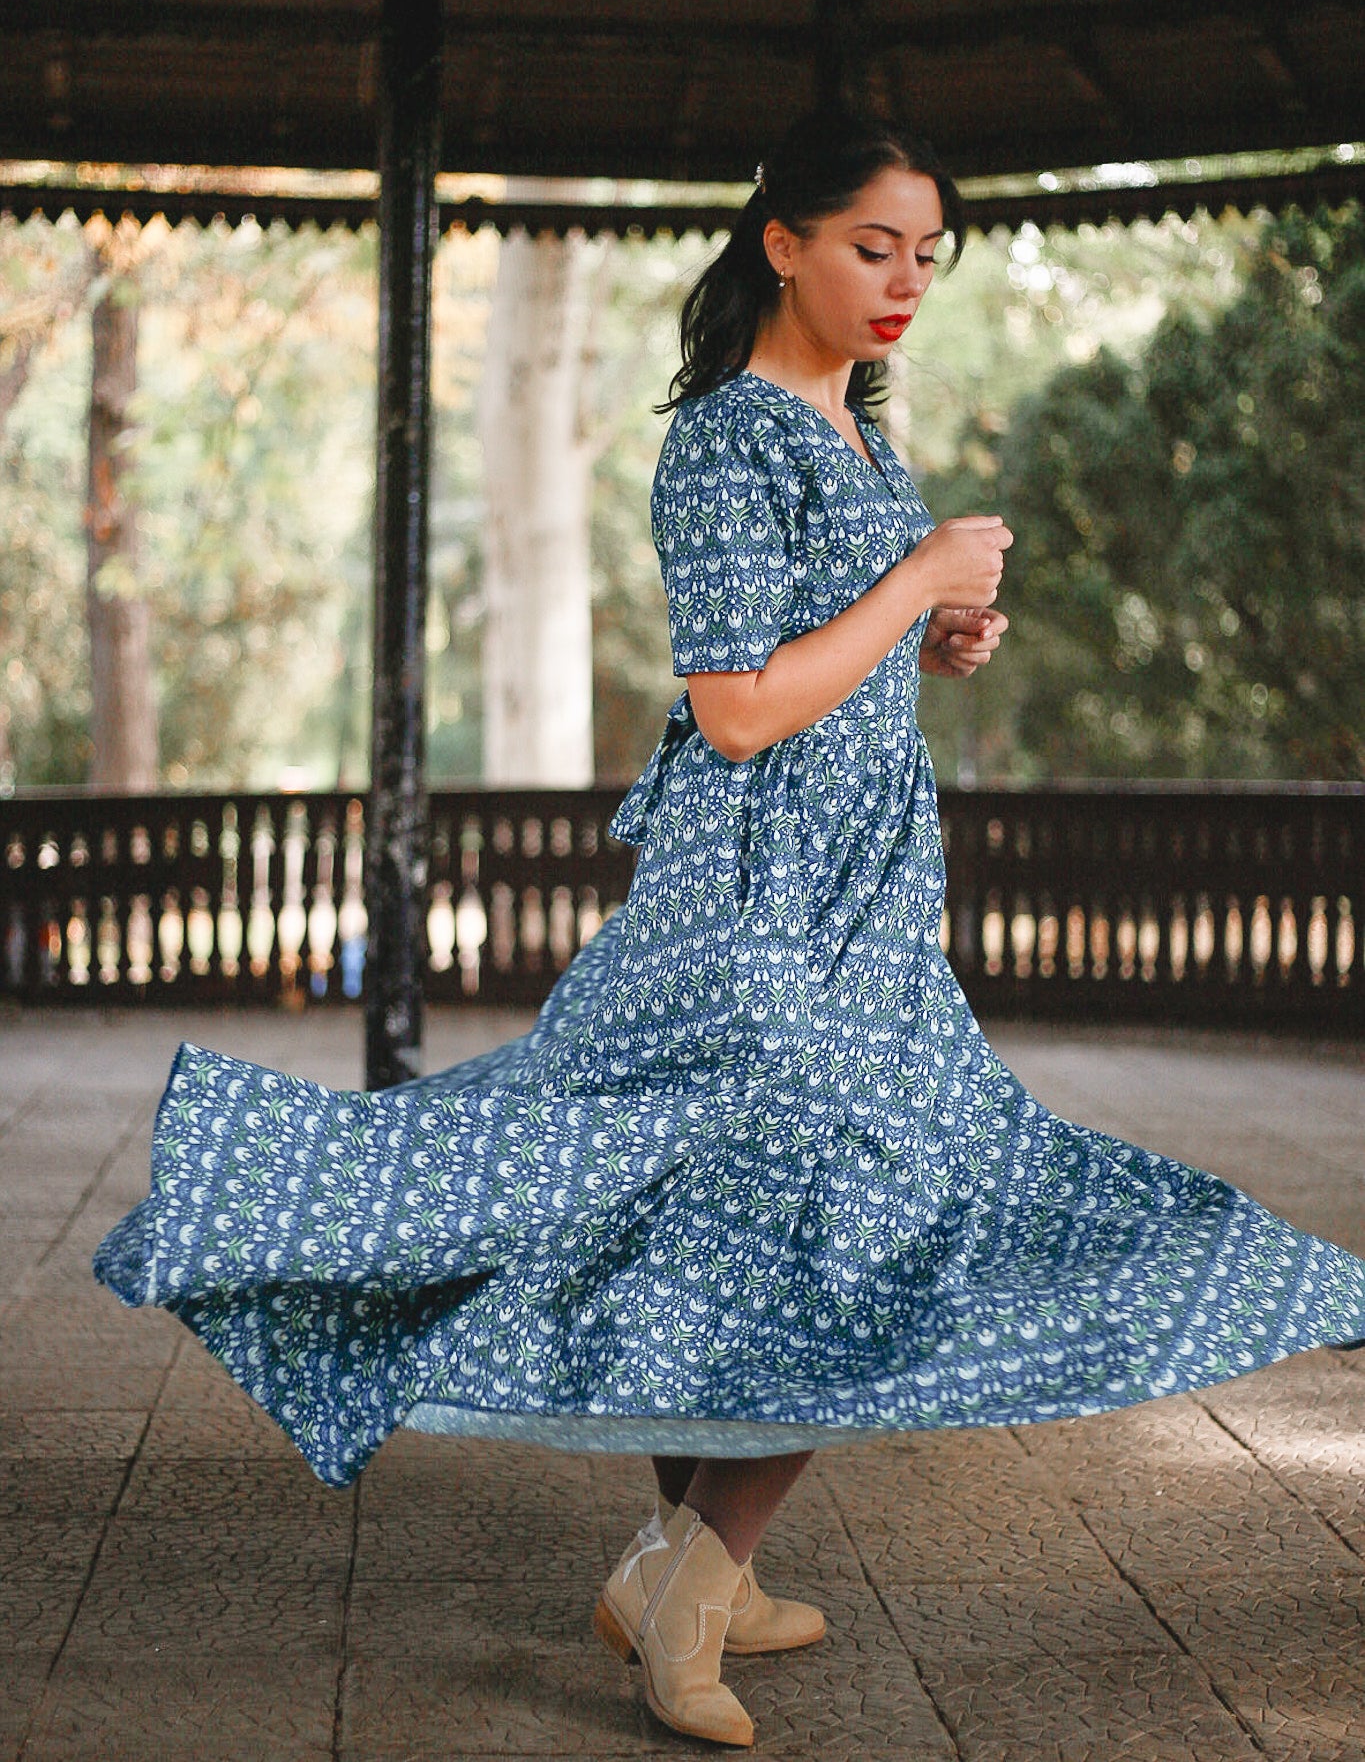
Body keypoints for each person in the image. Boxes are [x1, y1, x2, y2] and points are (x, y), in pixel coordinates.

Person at [95, 107, 1365, 1752]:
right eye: (871, 247)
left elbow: (826, 661)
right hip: (755, 903)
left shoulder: (859, 433)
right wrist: (912, 584)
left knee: (720, 1211)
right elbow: (738, 708)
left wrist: (931, 636)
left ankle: (691, 1563)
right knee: (844, 1216)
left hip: (865, 900)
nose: (904, 281)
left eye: (926, 255)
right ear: (781, 243)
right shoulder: (723, 441)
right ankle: (693, 1583)